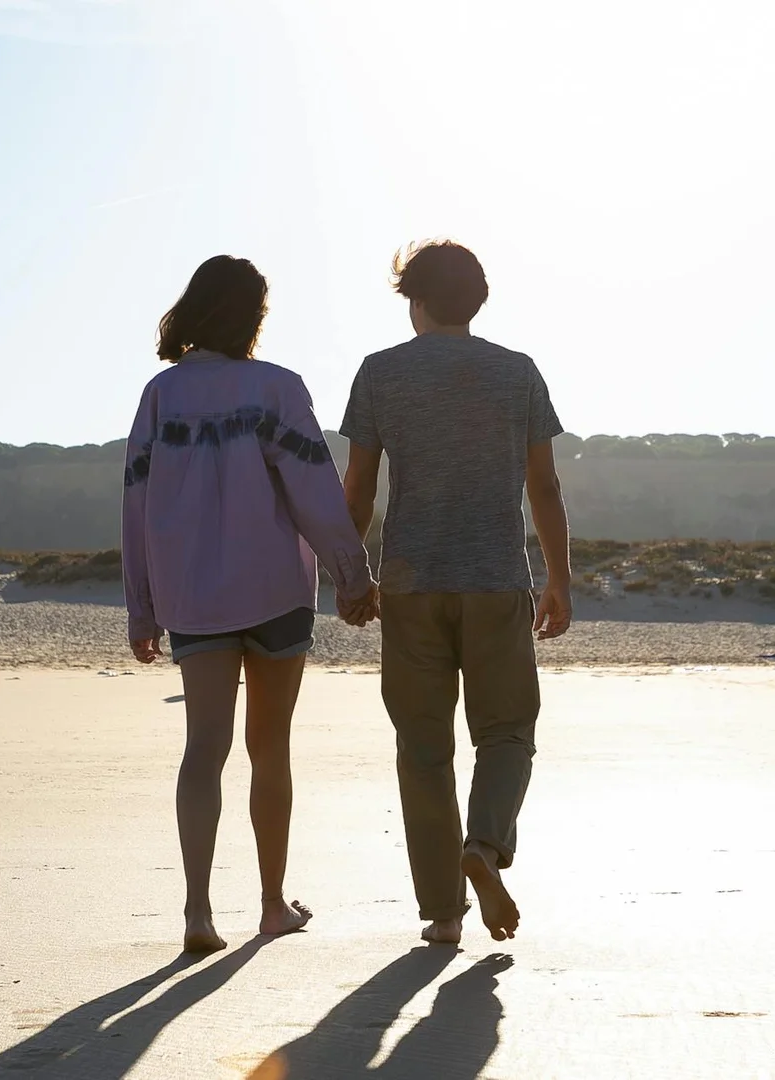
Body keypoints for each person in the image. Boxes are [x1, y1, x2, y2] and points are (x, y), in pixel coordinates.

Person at [122, 255, 379, 954]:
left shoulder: (160, 395)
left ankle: (198, 913)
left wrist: (141, 608)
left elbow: (136, 504)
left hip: (192, 595)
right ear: (252, 315)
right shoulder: (276, 388)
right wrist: (352, 576)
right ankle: (271, 904)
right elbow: (315, 492)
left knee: (203, 750)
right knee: (270, 749)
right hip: (274, 591)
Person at [341, 240, 573, 945]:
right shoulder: (516, 372)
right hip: (496, 581)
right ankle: (486, 846)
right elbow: (544, 486)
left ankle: (443, 914)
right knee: (507, 732)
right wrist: (559, 579)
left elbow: (359, 489)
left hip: (411, 585)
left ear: (415, 301)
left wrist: (351, 573)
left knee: (422, 748)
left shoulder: (380, 373)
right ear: (476, 301)